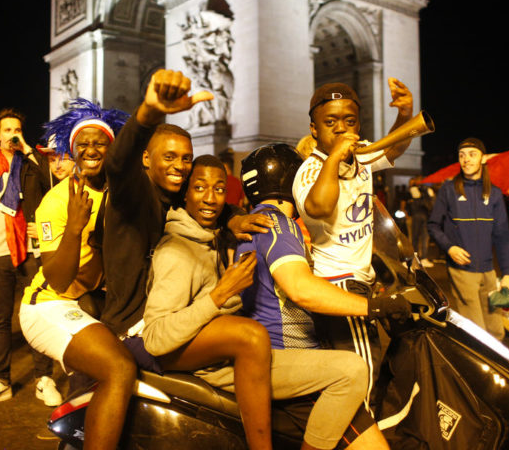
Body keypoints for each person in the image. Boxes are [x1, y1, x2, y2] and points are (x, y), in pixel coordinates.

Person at [144, 156, 369, 450]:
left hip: (244, 358)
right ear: (185, 193)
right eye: (199, 188)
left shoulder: (216, 237)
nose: (210, 198)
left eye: (219, 189)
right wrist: (219, 296)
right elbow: (155, 338)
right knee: (253, 337)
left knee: (353, 370)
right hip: (219, 363)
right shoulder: (176, 251)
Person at [237, 143, 412, 448]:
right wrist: (375, 307)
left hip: (282, 359)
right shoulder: (278, 224)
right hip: (292, 364)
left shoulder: (251, 223)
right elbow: (300, 288)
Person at [98, 69, 269, 345]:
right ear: (145, 158)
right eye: (169, 157)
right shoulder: (134, 192)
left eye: (186, 158)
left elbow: (208, 203)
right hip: (134, 327)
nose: (180, 166)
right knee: (247, 339)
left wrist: (233, 217)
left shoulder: (175, 197)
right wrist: (148, 113)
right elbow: (118, 163)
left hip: (174, 318)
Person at [18, 101, 134, 450]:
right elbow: (55, 279)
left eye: (99, 142)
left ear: (113, 147)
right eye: (82, 144)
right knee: (118, 369)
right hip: (48, 306)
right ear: (71, 150)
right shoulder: (57, 200)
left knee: (92, 386)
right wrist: (75, 228)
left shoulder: (121, 193)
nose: (90, 150)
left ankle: (74, 440)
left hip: (88, 304)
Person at [292, 78, 414, 396]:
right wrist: (334, 157)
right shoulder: (309, 169)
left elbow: (394, 147)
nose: (341, 129)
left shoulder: (360, 159)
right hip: (337, 283)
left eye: (350, 121)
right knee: (362, 381)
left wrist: (405, 114)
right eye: (330, 122)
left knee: (359, 375)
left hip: (362, 279)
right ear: (314, 128)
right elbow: (320, 205)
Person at [0, 108, 61, 409]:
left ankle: (44, 379)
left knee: (38, 316)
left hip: (31, 252)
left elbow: (52, 190)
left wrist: (30, 151)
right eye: (7, 130)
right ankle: (0, 381)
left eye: (17, 129)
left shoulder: (33, 168)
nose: (12, 134)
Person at [426, 138, 509, 340]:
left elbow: (502, 236)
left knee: (496, 332)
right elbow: (433, 225)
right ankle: (474, 371)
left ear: (483, 158)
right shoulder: (449, 190)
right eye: (462, 155)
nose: (466, 160)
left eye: (472, 154)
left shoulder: (494, 193)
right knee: (477, 333)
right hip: (462, 271)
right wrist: (449, 248)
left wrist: (507, 273)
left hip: (489, 273)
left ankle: (491, 370)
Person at [406, 176, 434, 267]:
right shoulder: (428, 190)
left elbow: (415, 199)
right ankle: (422, 258)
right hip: (426, 215)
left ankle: (416, 258)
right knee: (424, 238)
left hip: (417, 215)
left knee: (416, 237)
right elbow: (432, 199)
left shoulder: (414, 189)